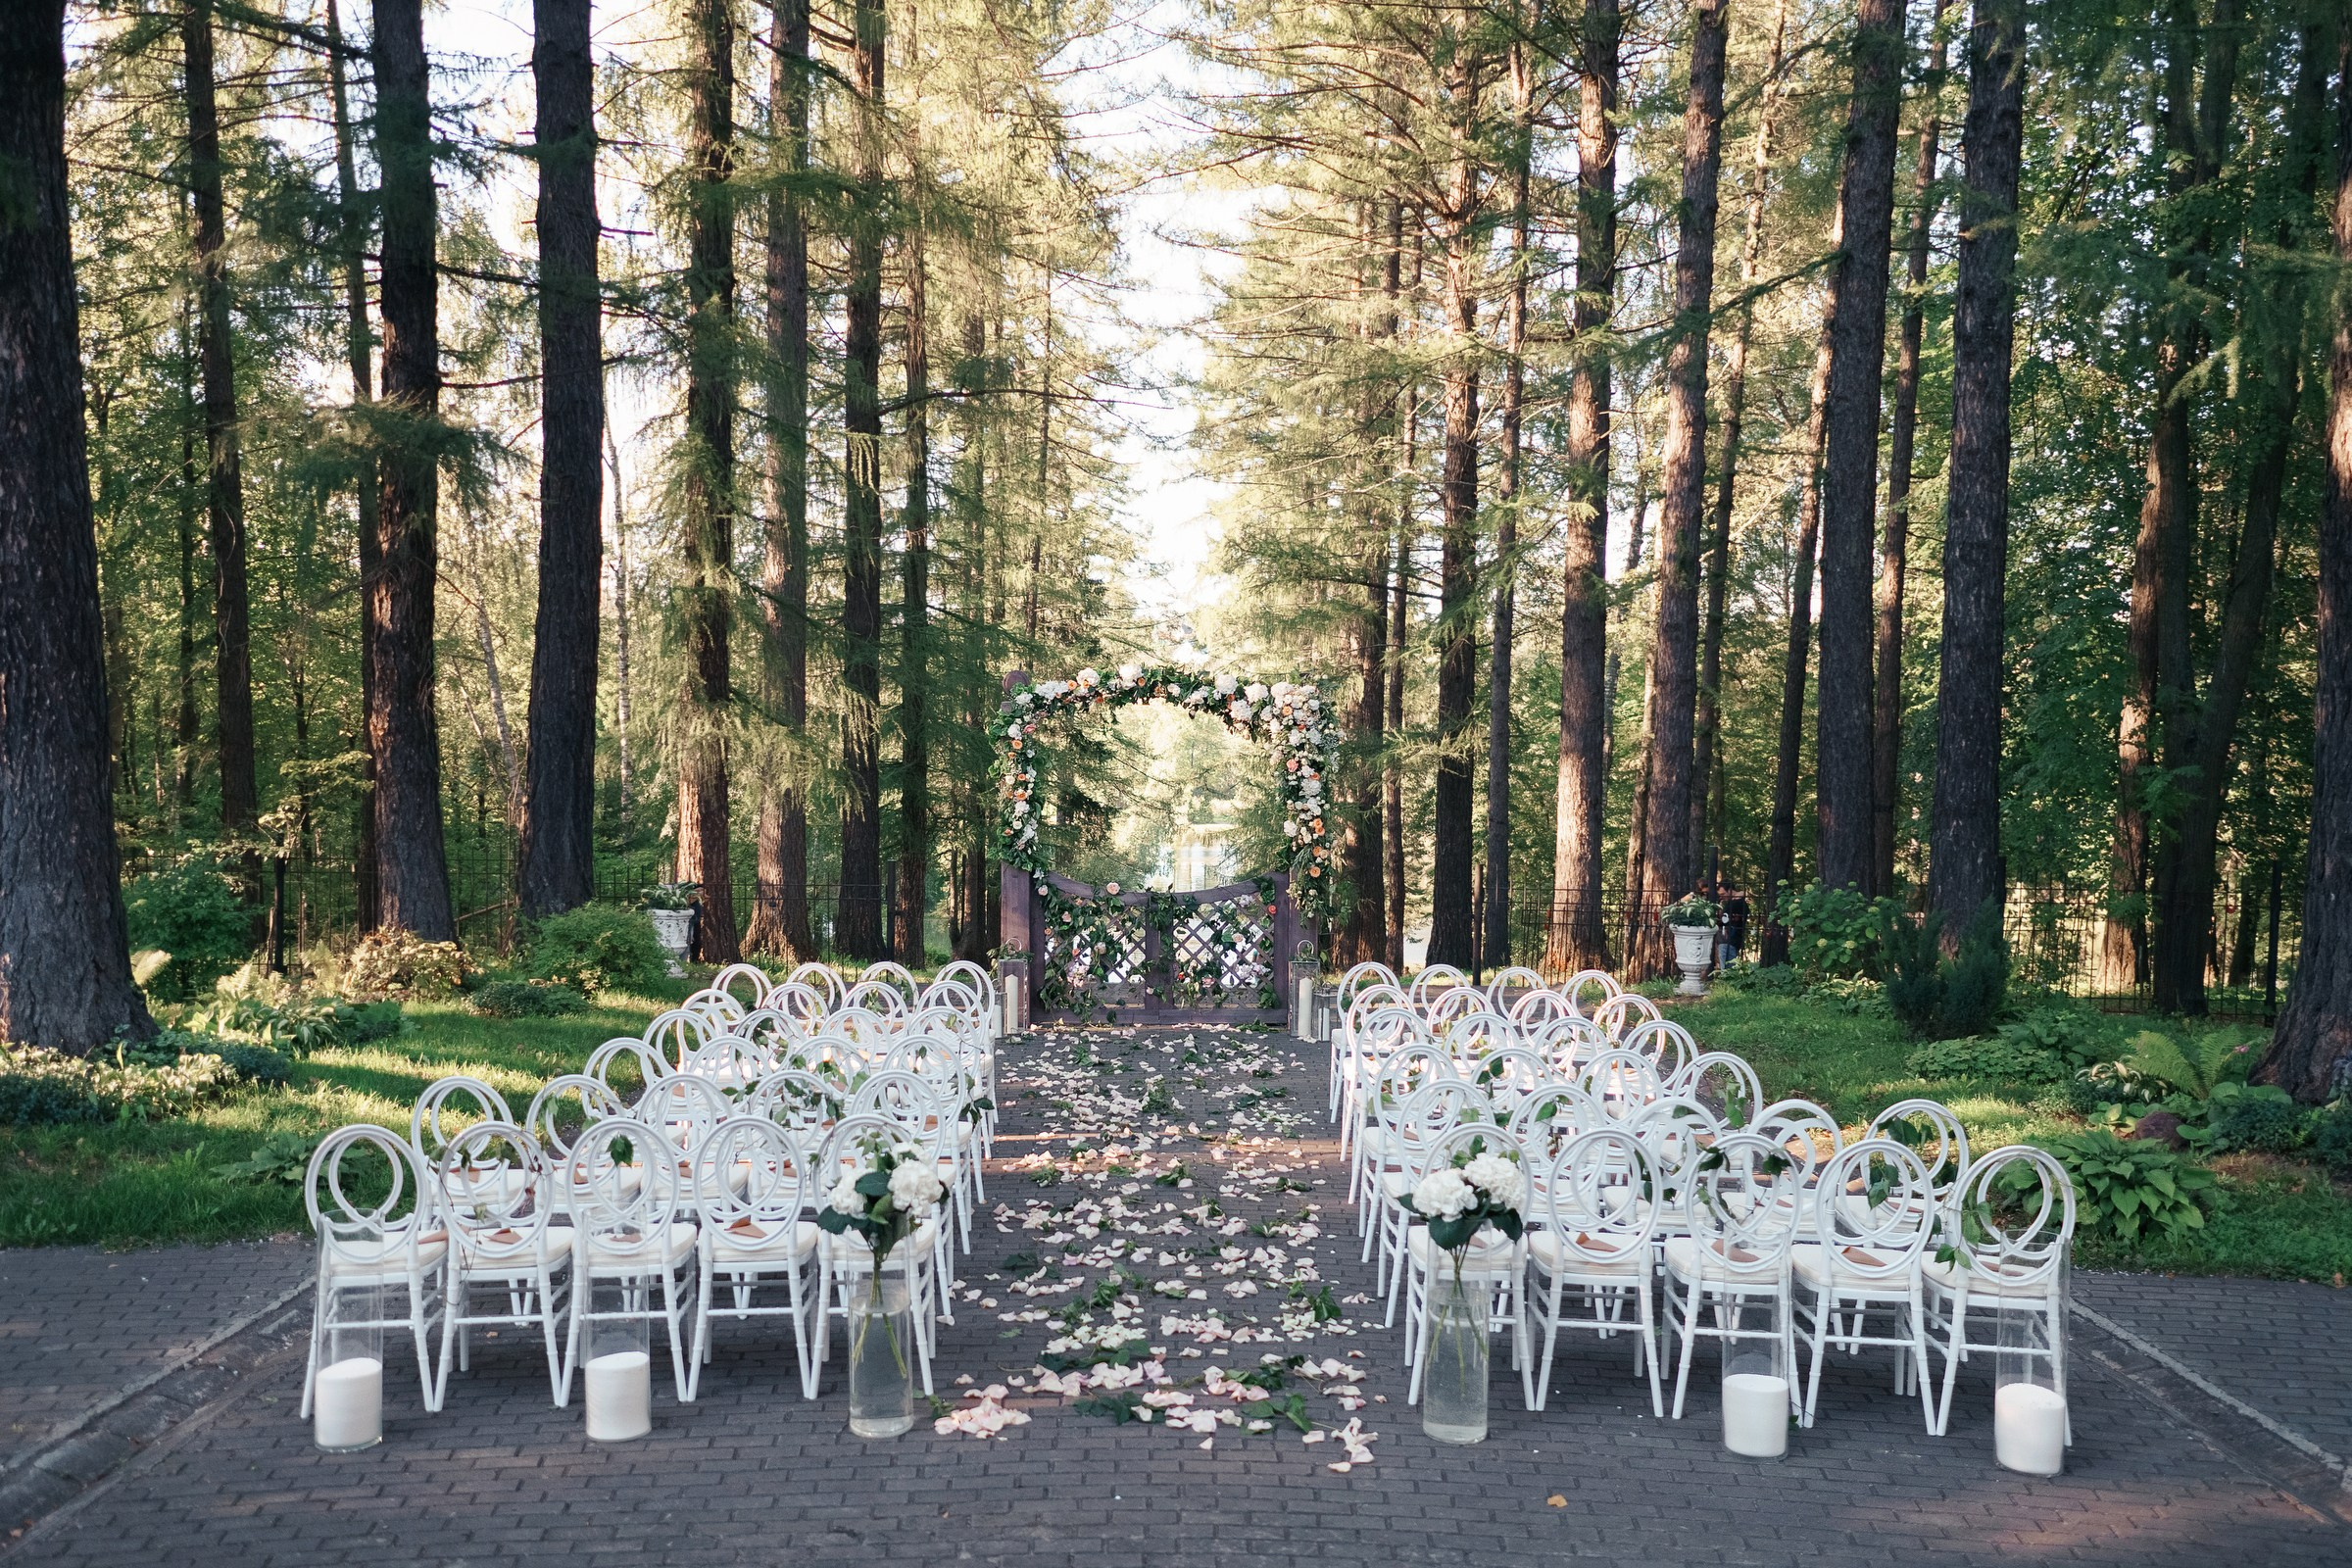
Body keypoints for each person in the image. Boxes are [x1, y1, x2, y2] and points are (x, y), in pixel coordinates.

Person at [1718, 886, 1749, 972]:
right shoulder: (1739, 902)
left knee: (1727, 970)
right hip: (1732, 940)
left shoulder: (1735, 903)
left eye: (1723, 894)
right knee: (1729, 968)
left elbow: (1724, 920)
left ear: (1730, 890)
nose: (1722, 897)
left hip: (1728, 939)